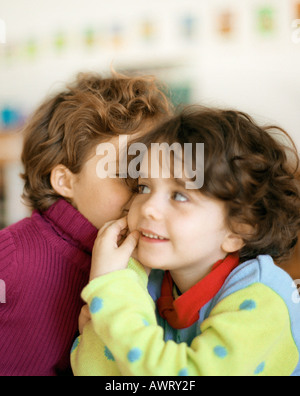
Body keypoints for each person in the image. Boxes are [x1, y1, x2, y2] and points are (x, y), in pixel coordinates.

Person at [71, 105, 300, 376]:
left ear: (240, 229)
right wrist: (121, 286)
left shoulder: (263, 299)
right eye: (144, 187)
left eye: (179, 195)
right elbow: (91, 371)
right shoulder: (149, 281)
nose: (147, 208)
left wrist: (111, 292)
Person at [0, 71, 172, 376]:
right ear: (65, 181)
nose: (147, 192)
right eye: (129, 174)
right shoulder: (13, 256)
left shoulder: (148, 257)